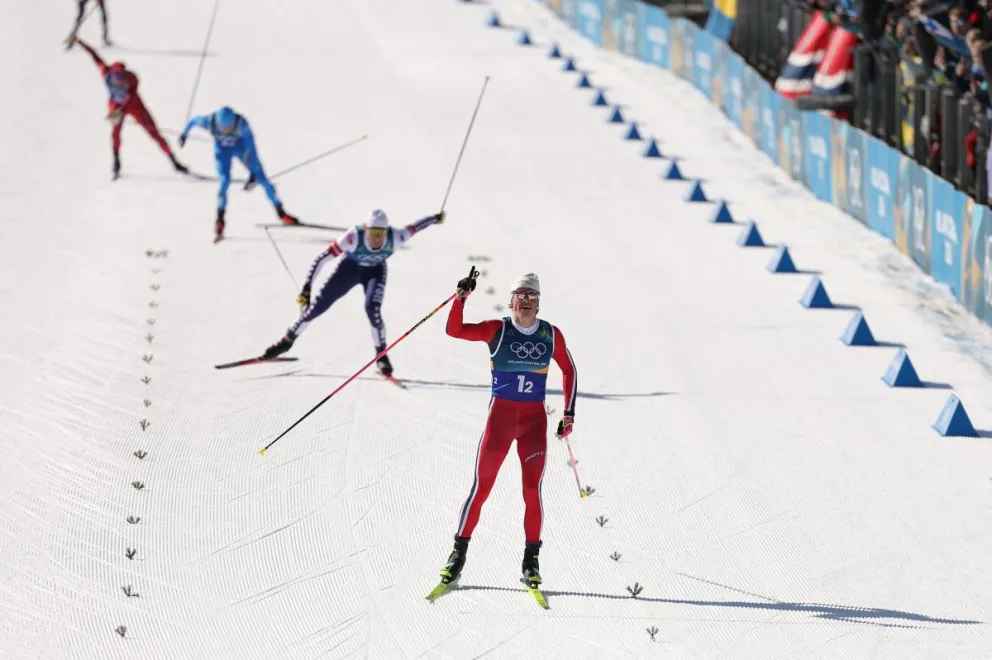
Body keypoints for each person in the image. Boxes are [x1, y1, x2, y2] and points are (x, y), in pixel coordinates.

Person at [436, 271, 577, 591]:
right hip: (499, 420)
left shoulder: (550, 334)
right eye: (521, 295)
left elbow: (569, 369)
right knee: (481, 489)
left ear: (538, 303)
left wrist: (568, 414)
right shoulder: (497, 329)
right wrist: (460, 299)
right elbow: (454, 330)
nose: (526, 300)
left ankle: (531, 561)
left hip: (533, 424)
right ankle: (457, 554)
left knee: (532, 491)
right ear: (511, 300)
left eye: (532, 296)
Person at [261, 208, 445, 375]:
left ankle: (382, 356)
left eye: (380, 233)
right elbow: (322, 259)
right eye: (373, 233)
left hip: (375, 272)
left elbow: (416, 226)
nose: (377, 238)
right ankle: (286, 341)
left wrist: (435, 218)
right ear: (366, 230)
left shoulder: (396, 236)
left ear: (386, 231)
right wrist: (307, 287)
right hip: (348, 270)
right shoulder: (353, 237)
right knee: (318, 305)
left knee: (372, 309)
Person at [179, 106, 299, 241]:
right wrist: (184, 135)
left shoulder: (242, 125)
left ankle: (281, 212)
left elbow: (252, 148)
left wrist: (253, 172)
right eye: (225, 128)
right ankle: (220, 220)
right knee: (224, 182)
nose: (228, 130)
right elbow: (193, 121)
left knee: (262, 179)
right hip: (223, 152)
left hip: (241, 149)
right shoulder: (209, 121)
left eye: (230, 127)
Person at [74, 39, 187, 179]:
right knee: (115, 134)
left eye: (122, 77)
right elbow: (94, 55)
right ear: (113, 73)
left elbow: (131, 97)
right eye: (117, 77)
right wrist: (80, 42)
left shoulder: (133, 78)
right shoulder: (106, 72)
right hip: (116, 106)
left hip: (135, 106)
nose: (119, 81)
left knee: (154, 133)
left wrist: (119, 111)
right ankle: (116, 162)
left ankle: (174, 161)